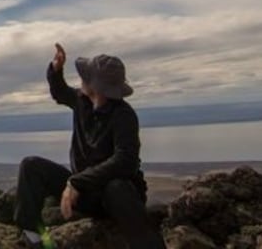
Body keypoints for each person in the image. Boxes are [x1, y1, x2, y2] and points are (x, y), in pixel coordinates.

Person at [14, 44, 166, 249]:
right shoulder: (81, 101)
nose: (81, 80)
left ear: (96, 87)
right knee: (31, 166)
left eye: (85, 77)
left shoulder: (124, 116)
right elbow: (60, 92)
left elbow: (125, 161)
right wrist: (56, 69)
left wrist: (77, 182)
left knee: (117, 187)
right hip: (84, 193)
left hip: (114, 198)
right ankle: (34, 236)